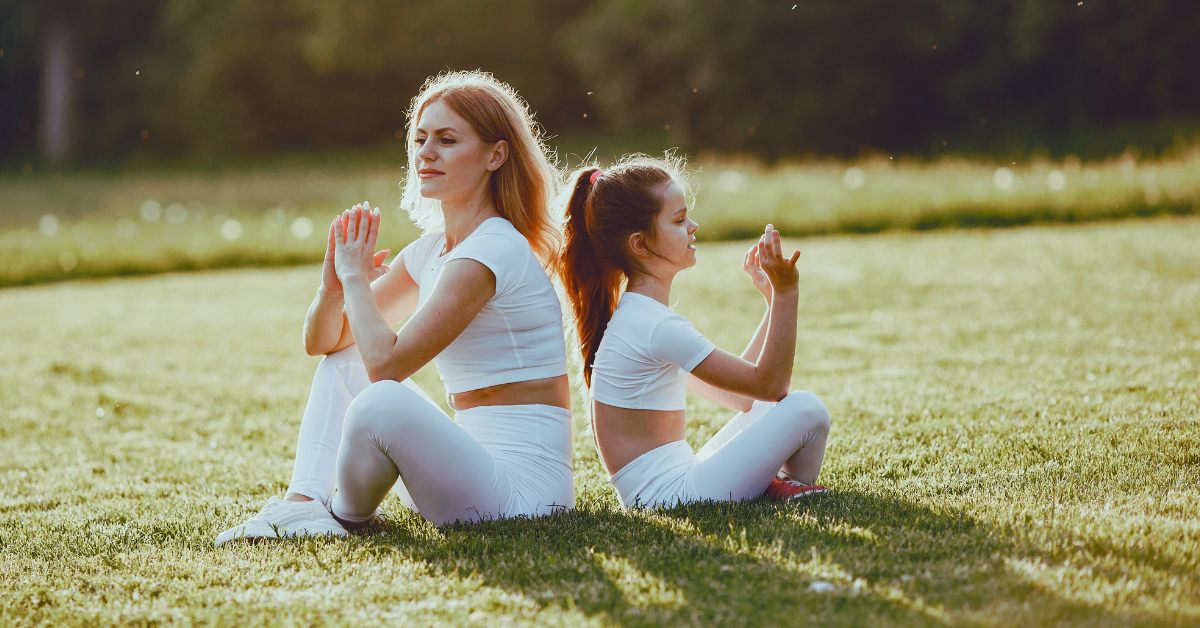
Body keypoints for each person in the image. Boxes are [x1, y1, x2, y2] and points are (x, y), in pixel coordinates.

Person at [216, 71, 573, 545]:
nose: (426, 152)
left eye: (447, 140)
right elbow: (325, 343)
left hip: (524, 497)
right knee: (345, 363)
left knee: (383, 397)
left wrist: (356, 279)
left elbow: (386, 366)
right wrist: (334, 290)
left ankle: (341, 517)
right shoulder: (432, 251)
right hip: (466, 468)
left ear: (496, 155)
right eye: (421, 138)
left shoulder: (493, 250)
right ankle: (302, 503)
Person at [555, 155, 831, 510]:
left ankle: (779, 486)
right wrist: (787, 293)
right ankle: (786, 487)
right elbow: (771, 385)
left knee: (779, 409)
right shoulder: (654, 325)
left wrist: (773, 302)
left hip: (678, 483)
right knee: (807, 409)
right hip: (673, 498)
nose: (694, 226)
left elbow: (745, 398)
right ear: (640, 244)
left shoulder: (641, 317)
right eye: (679, 219)